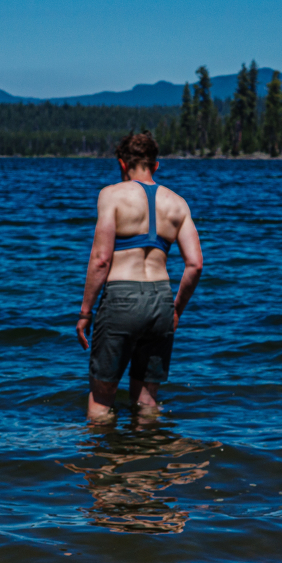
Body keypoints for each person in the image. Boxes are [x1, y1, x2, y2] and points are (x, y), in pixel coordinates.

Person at [76, 132, 204, 420]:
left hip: (122, 297)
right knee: (147, 402)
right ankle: (148, 460)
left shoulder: (111, 195)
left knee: (101, 401)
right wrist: (176, 310)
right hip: (161, 299)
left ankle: (102, 464)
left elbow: (101, 259)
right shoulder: (178, 204)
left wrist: (85, 312)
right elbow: (195, 264)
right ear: (155, 166)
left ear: (122, 164)